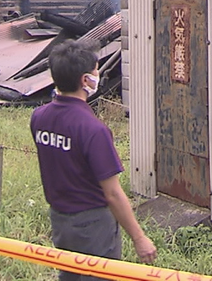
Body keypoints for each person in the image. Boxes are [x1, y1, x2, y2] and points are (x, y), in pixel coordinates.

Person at [31, 40, 157, 278]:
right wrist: (139, 238)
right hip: (93, 224)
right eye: (96, 70)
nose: (98, 75)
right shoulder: (92, 129)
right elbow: (112, 193)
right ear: (85, 80)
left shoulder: (39, 117)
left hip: (60, 221)